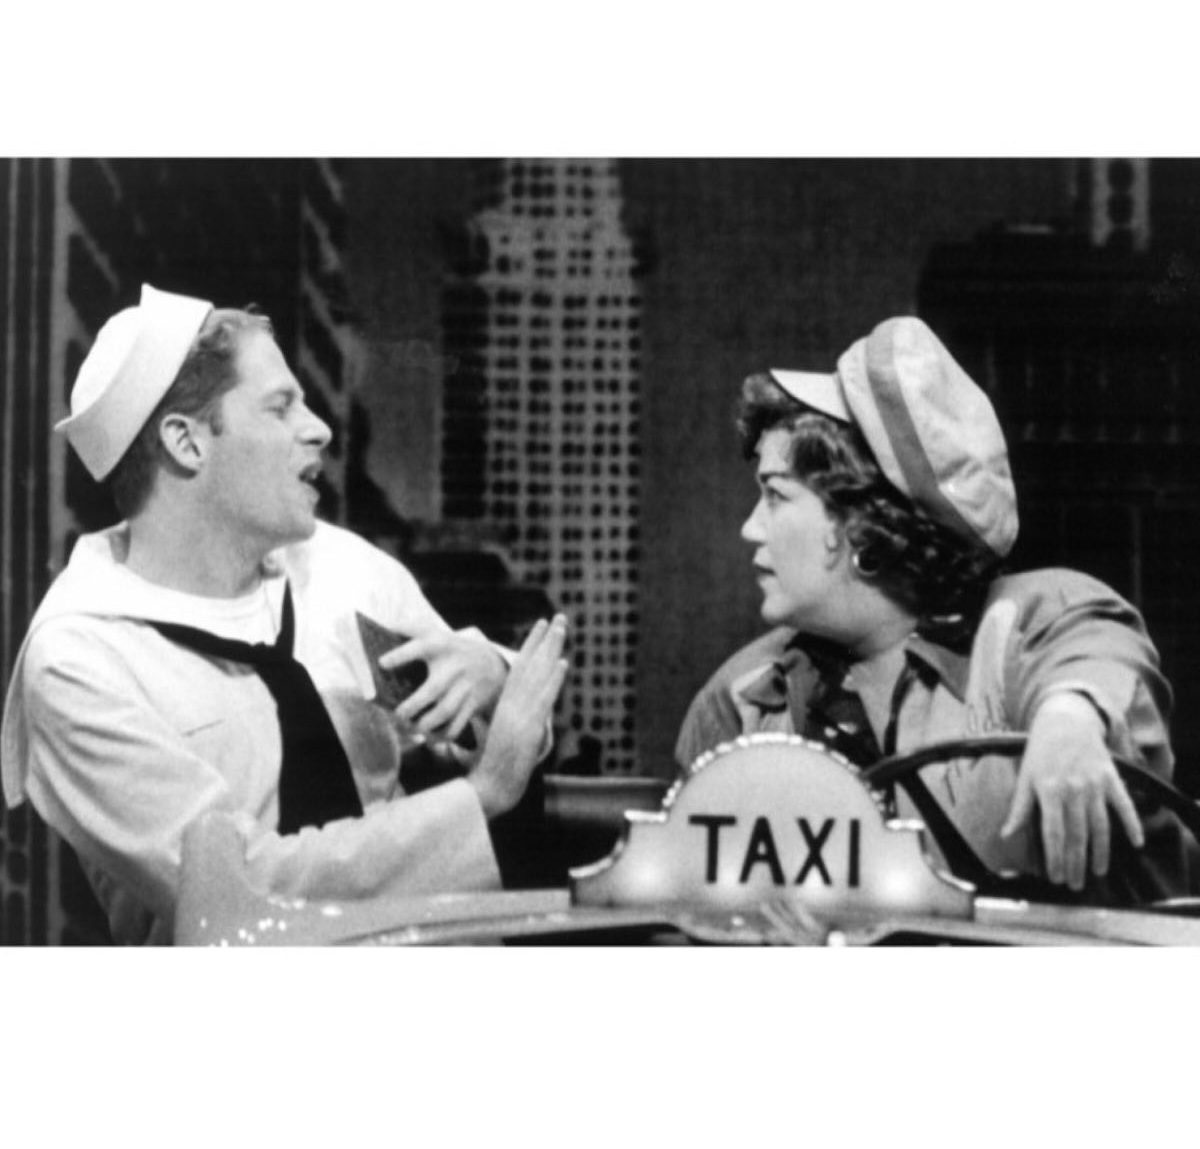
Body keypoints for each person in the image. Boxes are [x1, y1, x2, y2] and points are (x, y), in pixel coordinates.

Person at [1, 283, 567, 945]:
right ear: (186, 442)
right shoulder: (78, 662)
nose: (319, 427)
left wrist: (491, 681)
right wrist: (482, 796)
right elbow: (239, 891)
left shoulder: (343, 567)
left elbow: (485, 729)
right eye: (280, 407)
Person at [675, 315, 1194, 903]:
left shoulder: (1027, 621)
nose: (750, 527)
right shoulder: (744, 696)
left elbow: (1092, 656)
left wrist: (1069, 722)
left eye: (775, 495)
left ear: (863, 522)